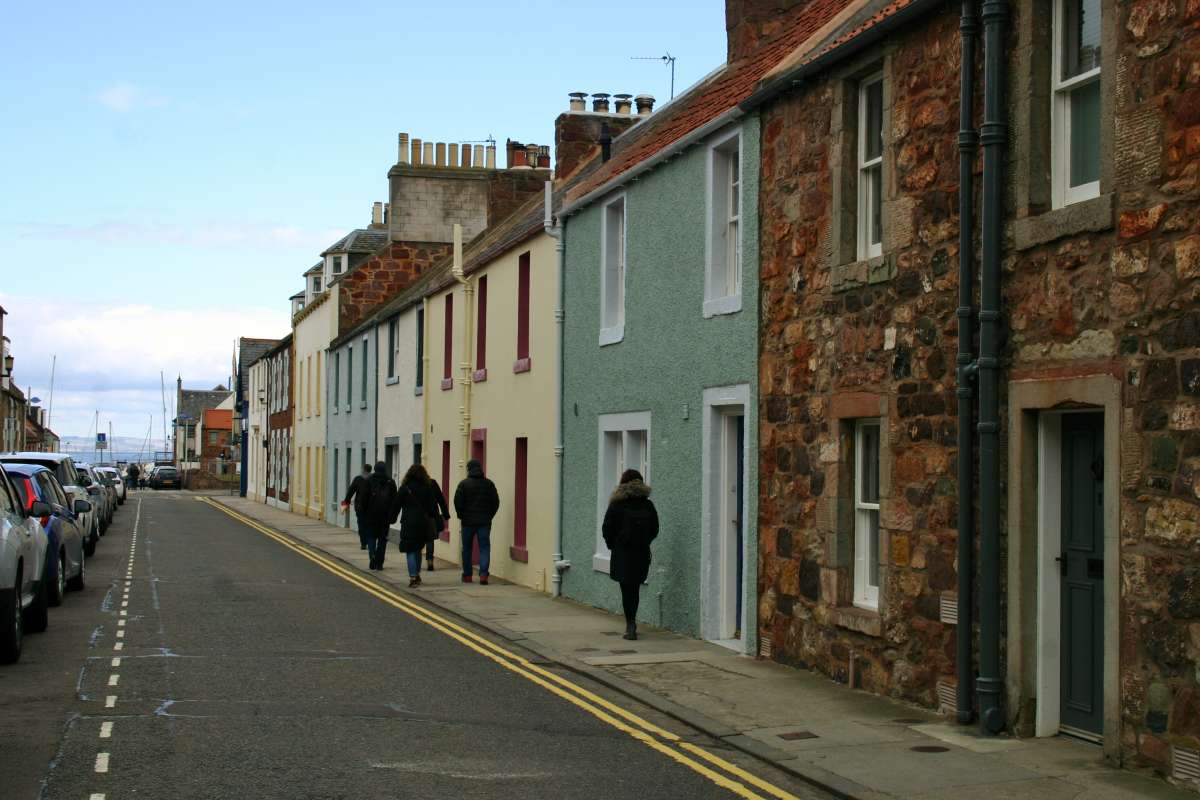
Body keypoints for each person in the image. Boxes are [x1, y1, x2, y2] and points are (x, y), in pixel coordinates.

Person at [601, 469, 659, 641]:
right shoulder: (648, 505)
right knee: (635, 589)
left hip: (623, 554)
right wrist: (644, 541)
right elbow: (655, 529)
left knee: (626, 589)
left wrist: (613, 546)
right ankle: (632, 622)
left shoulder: (617, 504)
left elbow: (606, 528)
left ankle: (630, 624)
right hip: (640, 553)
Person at [453, 459, 500, 585]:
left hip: (467, 522)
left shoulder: (463, 484)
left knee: (467, 548)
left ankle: (467, 575)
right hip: (484, 522)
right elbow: (495, 502)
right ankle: (483, 575)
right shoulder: (489, 484)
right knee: (484, 547)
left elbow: (457, 502)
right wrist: (489, 516)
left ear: (469, 469)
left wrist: (461, 516)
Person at [394, 463, 437, 587]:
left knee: (410, 549)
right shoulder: (427, 487)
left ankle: (413, 576)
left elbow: (396, 504)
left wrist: (391, 518)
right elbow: (433, 507)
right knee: (418, 548)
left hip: (408, 522)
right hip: (422, 523)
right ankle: (416, 573)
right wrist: (433, 516)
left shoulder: (405, 488)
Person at [362, 462, 398, 571]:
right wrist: (393, 515)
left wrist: (364, 512)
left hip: (371, 516)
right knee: (382, 540)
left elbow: (364, 499)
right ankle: (379, 563)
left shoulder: (369, 480)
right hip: (385, 517)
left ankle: (372, 555)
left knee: (371, 537)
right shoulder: (391, 482)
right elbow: (395, 501)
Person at [340, 464, 374, 550]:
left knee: (361, 525)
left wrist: (345, 504)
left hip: (360, 507)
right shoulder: (373, 479)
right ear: (370, 470)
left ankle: (363, 543)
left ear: (363, 470)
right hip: (371, 507)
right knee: (370, 525)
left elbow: (350, 492)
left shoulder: (358, 479)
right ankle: (370, 542)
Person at [426, 478, 451, 571]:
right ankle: (430, 561)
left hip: (418, 516)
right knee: (430, 539)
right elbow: (441, 499)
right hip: (431, 515)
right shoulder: (432, 483)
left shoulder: (412, 484)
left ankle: (415, 565)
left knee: (417, 540)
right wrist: (446, 514)